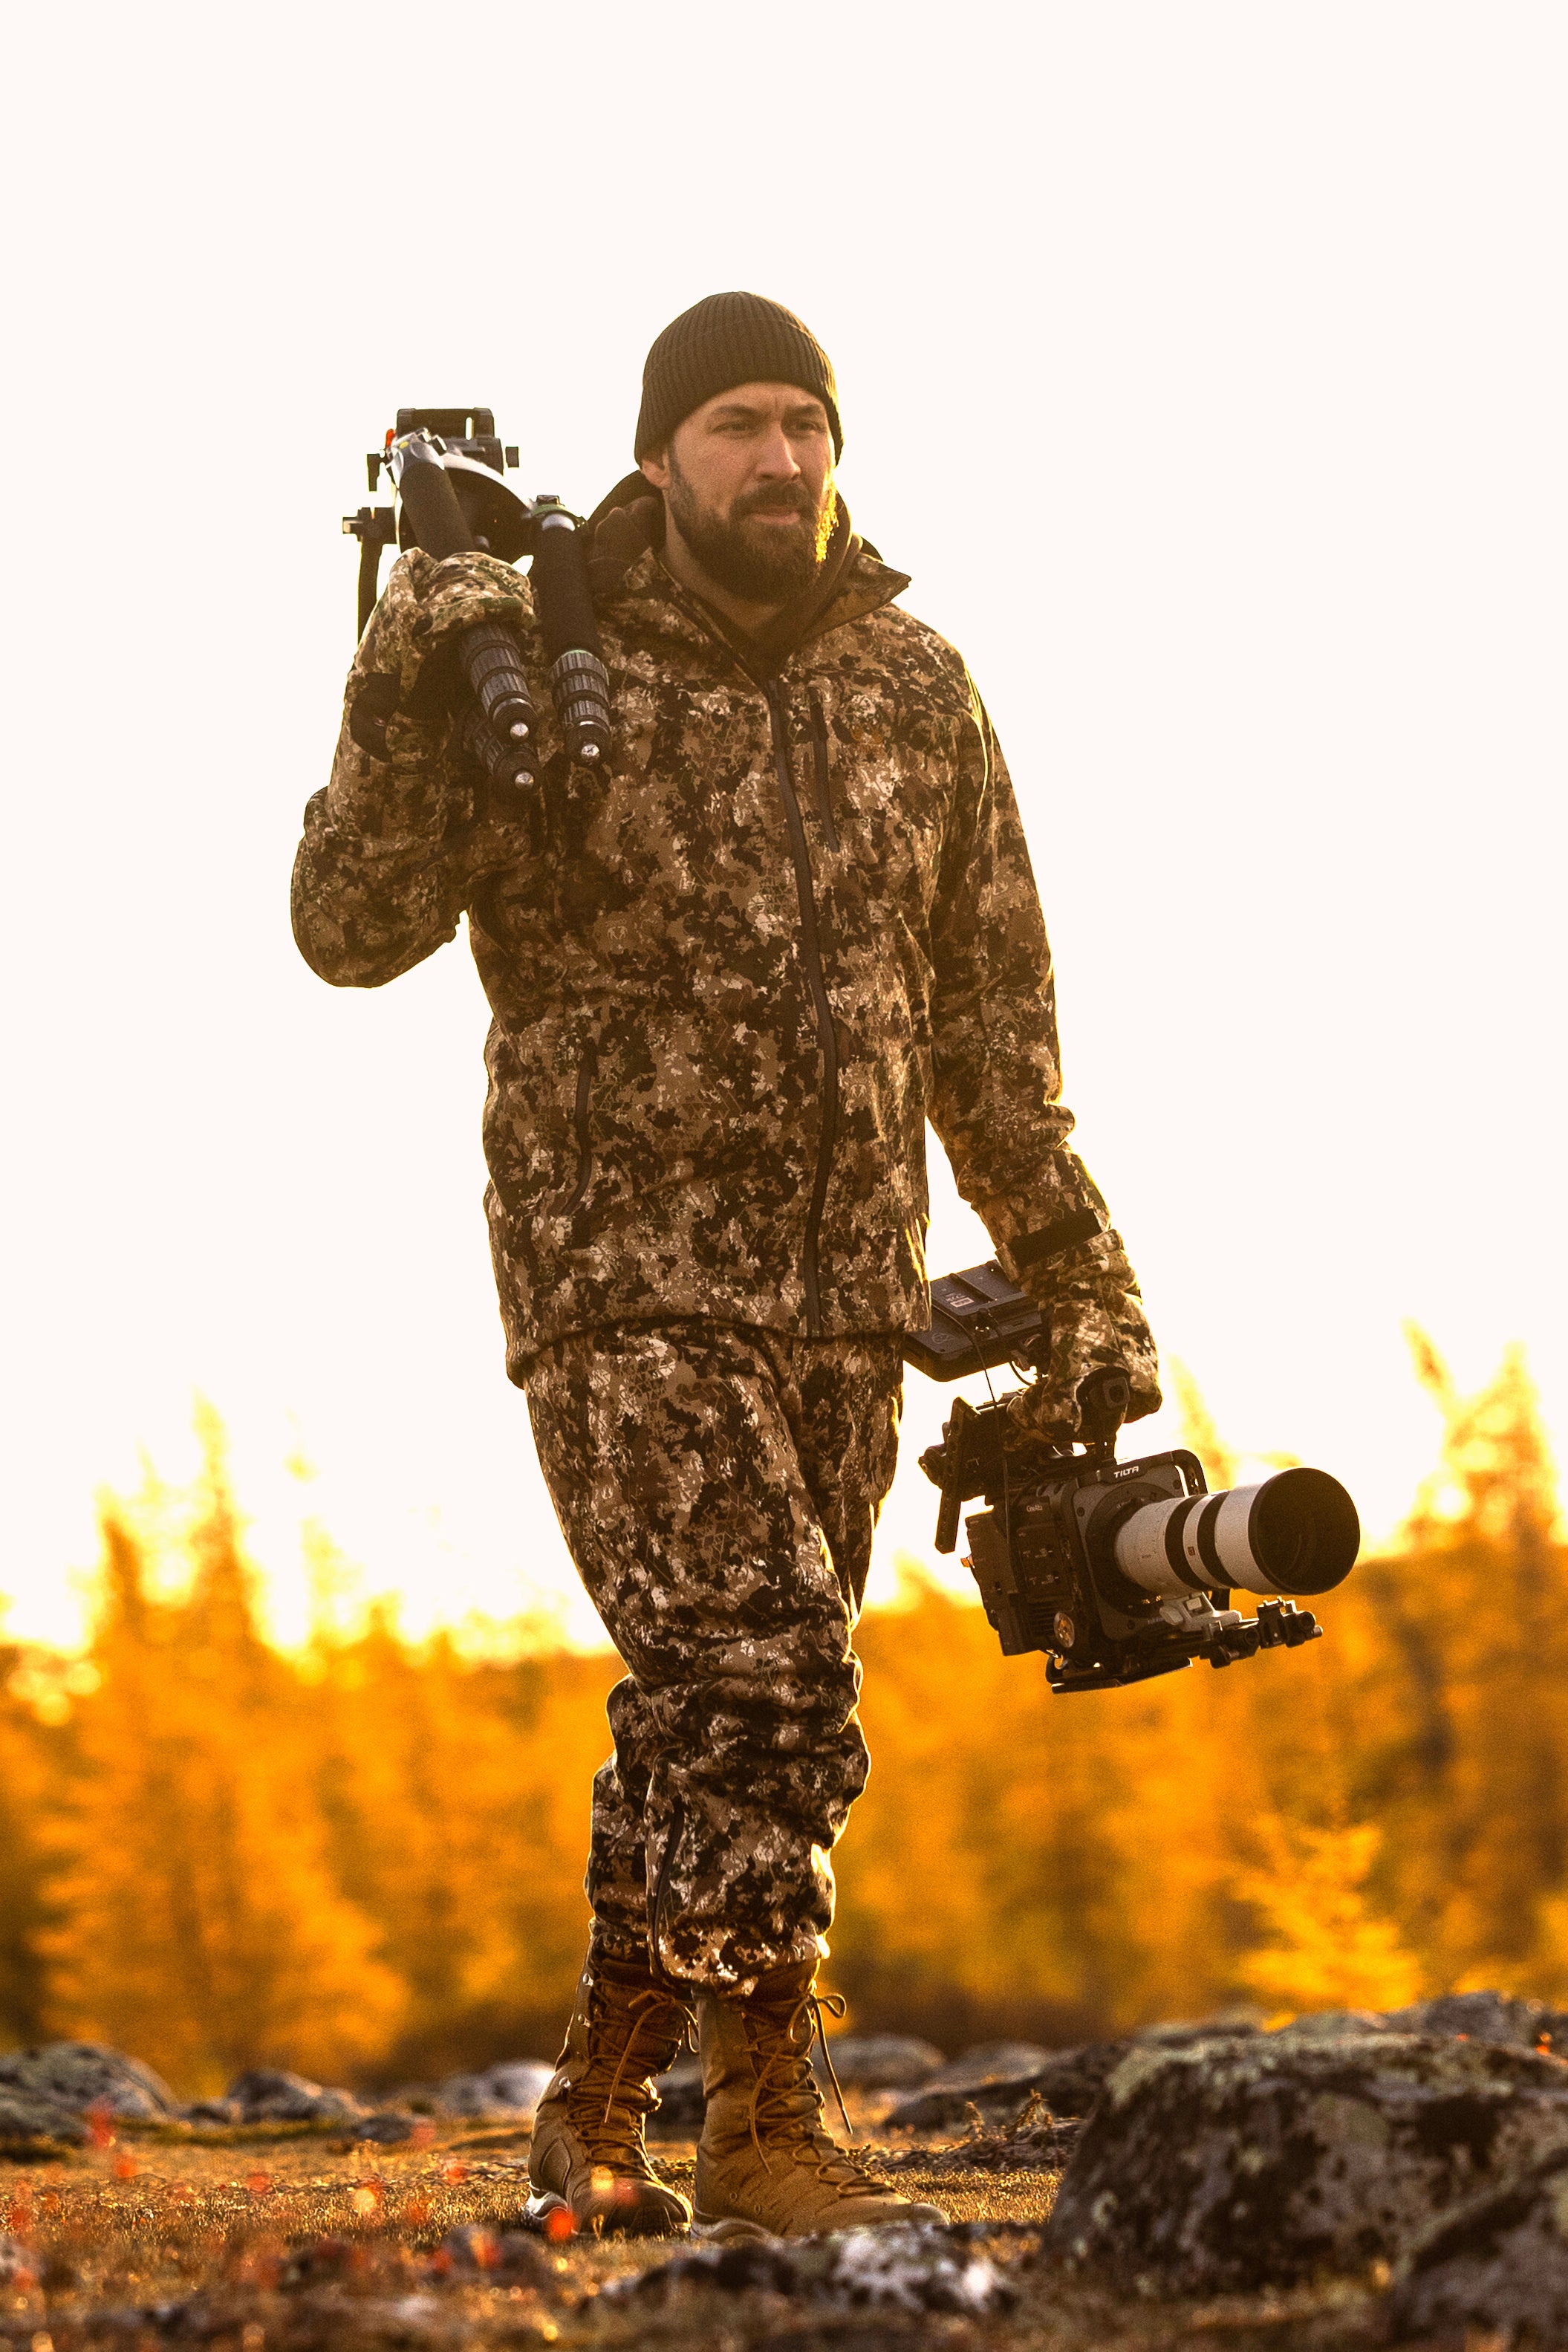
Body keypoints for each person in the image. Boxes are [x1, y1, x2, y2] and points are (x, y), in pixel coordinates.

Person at [291, 291, 1159, 2241]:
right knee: (768, 1667)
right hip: (617, 1271)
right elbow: (349, 927)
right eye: (737, 426)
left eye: (804, 422)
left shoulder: (917, 690)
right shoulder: (534, 645)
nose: (780, 459)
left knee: (717, 1710)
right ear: (664, 452)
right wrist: (393, 684)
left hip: (852, 1292)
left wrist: (1089, 1288)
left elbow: (997, 1045)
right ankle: (760, 2122)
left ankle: (596, 2097)